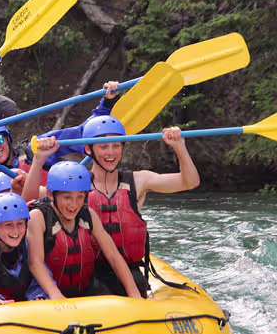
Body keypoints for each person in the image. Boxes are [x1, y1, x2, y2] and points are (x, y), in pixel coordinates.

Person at [82, 115, 199, 296]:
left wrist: (179, 147)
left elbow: (189, 182)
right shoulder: (76, 184)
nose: (111, 153)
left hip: (130, 273)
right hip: (88, 274)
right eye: (103, 146)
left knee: (136, 282)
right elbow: (37, 196)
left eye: (116, 146)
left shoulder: (140, 180)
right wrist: (39, 160)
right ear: (88, 149)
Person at [24, 156, 143, 300]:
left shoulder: (88, 215)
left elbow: (113, 256)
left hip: (85, 289)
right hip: (48, 292)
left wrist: (134, 293)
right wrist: (55, 294)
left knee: (137, 283)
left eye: (80, 197)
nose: (74, 205)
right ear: (50, 194)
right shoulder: (38, 217)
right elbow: (35, 262)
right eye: (67, 197)